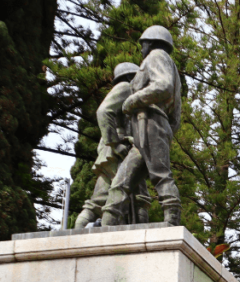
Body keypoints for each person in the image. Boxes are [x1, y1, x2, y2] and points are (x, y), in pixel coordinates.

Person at [101, 25, 182, 227]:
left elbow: (163, 85)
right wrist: (166, 130)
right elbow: (176, 116)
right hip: (150, 125)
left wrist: (132, 101)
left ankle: (172, 220)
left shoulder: (156, 56)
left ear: (151, 42)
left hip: (149, 121)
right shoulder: (169, 65)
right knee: (122, 180)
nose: (141, 48)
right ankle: (107, 223)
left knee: (160, 174)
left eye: (143, 44)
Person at [74, 63, 149, 228]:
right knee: (139, 197)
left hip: (114, 150)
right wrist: (115, 144)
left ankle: (78, 231)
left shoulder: (130, 92)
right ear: (130, 76)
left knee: (99, 199)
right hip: (120, 150)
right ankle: (142, 235)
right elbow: (103, 111)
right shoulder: (126, 87)